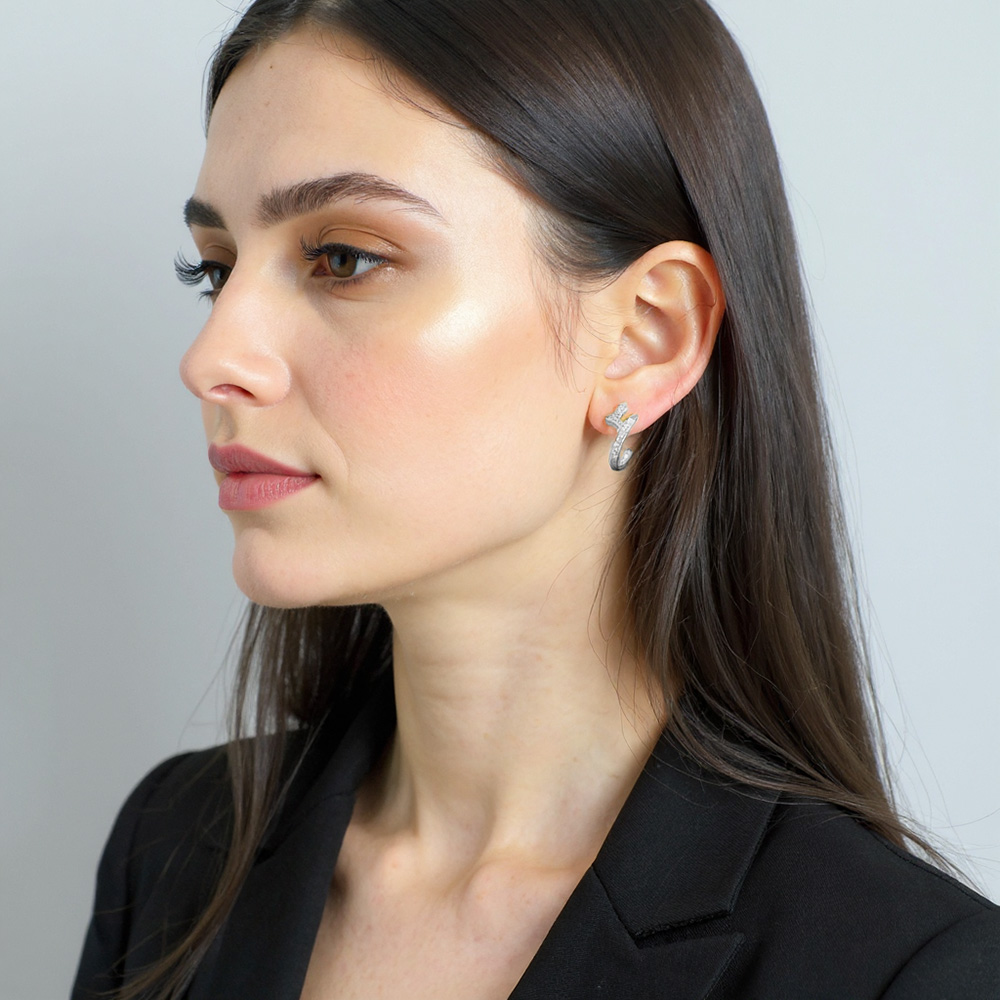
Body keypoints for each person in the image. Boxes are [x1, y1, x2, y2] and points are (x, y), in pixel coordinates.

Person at [71, 1, 999, 998]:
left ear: (645, 337)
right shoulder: (172, 853)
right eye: (214, 270)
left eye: (344, 259)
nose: (213, 358)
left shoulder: (906, 973)